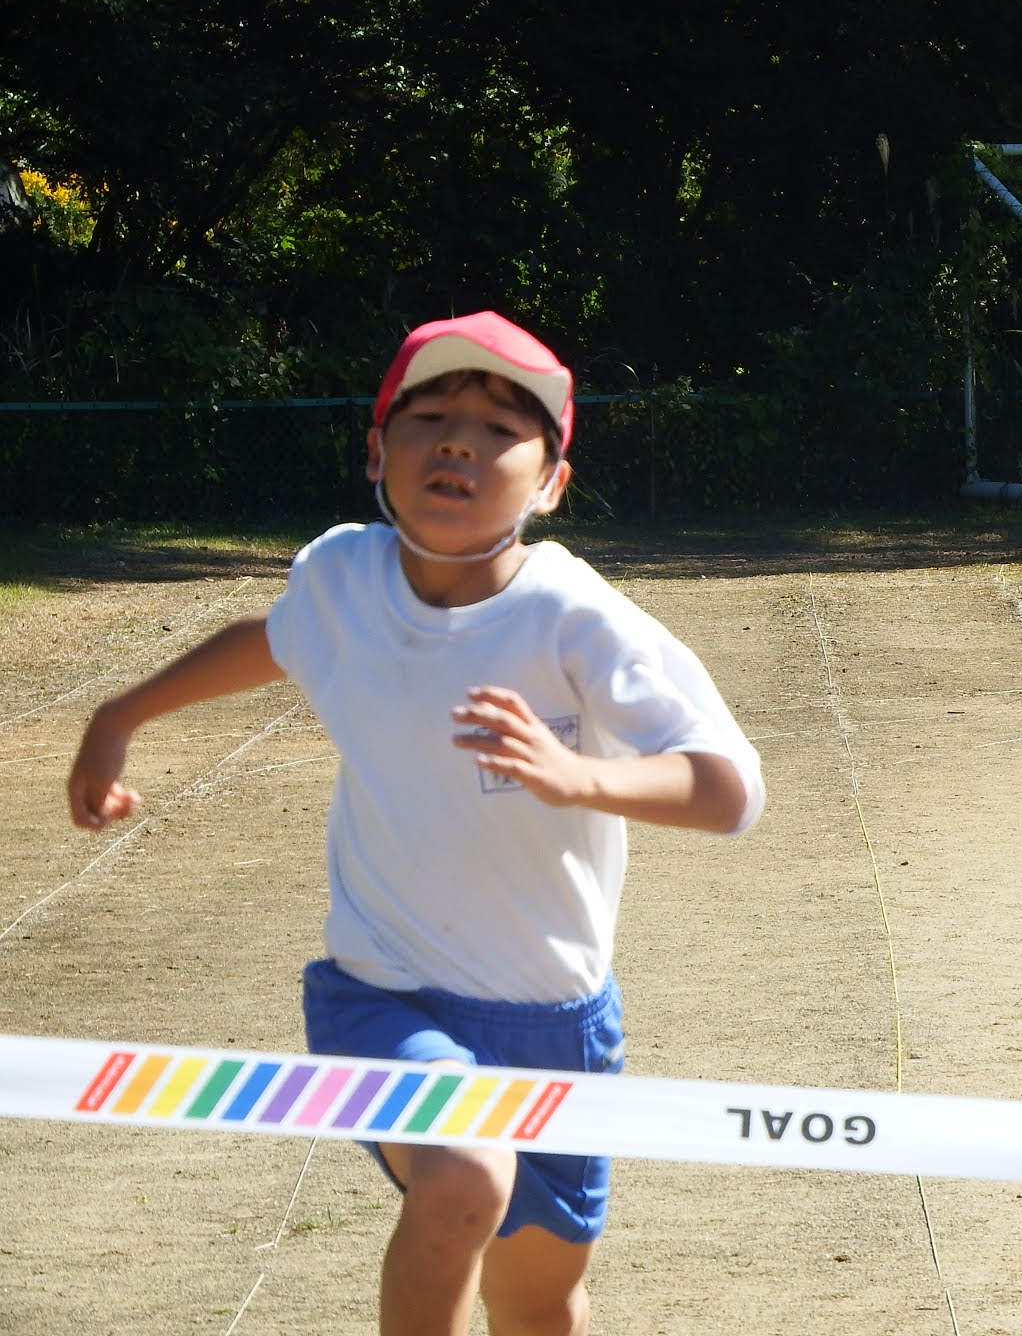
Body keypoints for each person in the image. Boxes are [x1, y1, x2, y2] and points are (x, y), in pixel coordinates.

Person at [65, 311, 765, 1336]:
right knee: (465, 1175)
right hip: (380, 997)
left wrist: (580, 778)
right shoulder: (341, 579)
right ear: (374, 454)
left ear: (553, 482)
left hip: (555, 1020)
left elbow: (729, 791)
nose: (457, 442)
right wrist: (120, 713)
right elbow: (280, 636)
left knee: (539, 1302)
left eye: (499, 428)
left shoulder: (581, 619)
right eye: (429, 414)